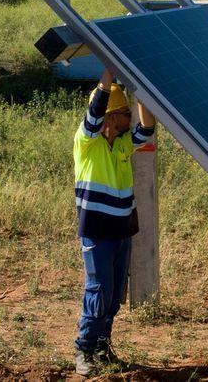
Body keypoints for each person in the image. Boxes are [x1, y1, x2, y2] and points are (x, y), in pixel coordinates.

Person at [73, 68, 155, 375]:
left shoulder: (122, 144)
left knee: (115, 291)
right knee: (99, 291)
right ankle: (84, 349)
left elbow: (147, 128)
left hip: (122, 229)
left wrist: (141, 91)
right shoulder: (87, 142)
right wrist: (107, 72)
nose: (128, 118)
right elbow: (94, 111)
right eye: (123, 113)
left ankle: (102, 345)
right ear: (109, 118)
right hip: (97, 231)